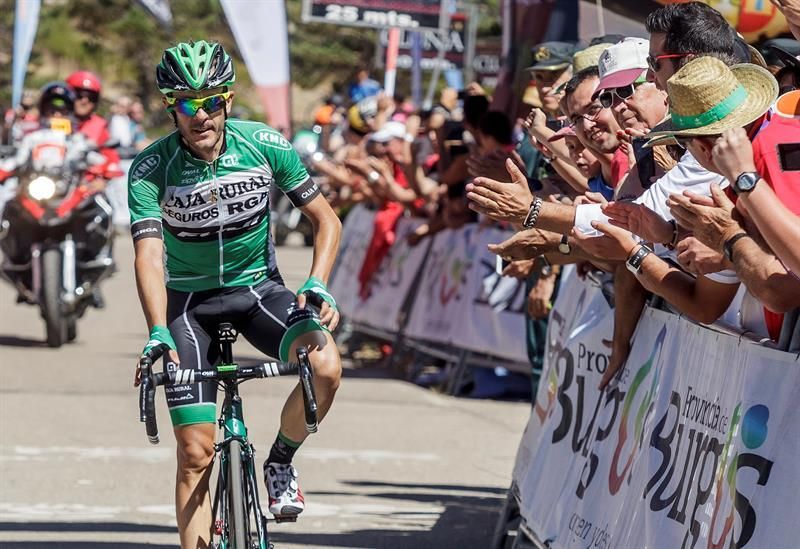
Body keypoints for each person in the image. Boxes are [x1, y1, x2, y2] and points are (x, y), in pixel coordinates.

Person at [128, 40, 343, 548]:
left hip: (257, 292)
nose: (198, 114)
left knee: (326, 366)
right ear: (170, 108)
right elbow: (149, 256)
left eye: (209, 101)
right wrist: (157, 329)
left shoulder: (266, 144)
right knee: (196, 454)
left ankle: (280, 461)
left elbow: (325, 219)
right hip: (188, 307)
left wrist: (316, 283)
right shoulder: (150, 168)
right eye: (185, 103)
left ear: (227, 99)